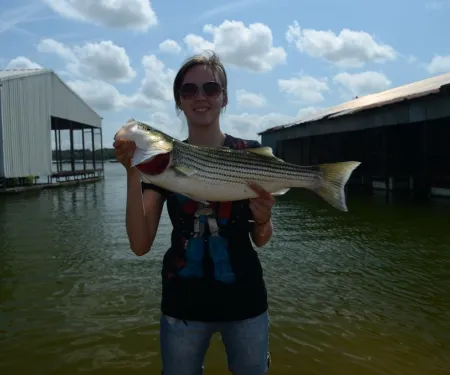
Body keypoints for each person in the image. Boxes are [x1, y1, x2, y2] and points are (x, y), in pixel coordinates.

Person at [113, 51, 275, 375]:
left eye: (211, 88)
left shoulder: (249, 153)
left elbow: (262, 240)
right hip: (182, 305)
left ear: (224, 98)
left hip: (245, 301)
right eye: (189, 90)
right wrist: (133, 171)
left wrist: (264, 217)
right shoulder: (160, 165)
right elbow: (140, 245)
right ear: (179, 100)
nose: (200, 97)